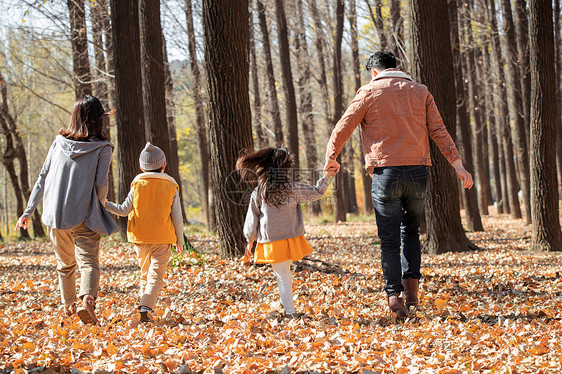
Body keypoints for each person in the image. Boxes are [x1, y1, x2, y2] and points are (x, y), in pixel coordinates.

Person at [323, 51, 473, 318]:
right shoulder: (420, 91)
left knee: (389, 240)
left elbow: (344, 126)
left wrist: (332, 157)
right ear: (397, 68)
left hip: (386, 174)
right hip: (418, 172)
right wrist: (457, 164)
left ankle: (395, 298)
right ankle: (412, 294)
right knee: (412, 232)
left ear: (374, 72)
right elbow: (439, 129)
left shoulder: (369, 92)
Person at [15, 95, 118, 325]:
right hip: (83, 214)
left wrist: (28, 212)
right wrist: (99, 206)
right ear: (97, 120)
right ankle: (87, 303)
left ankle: (69, 306)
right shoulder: (103, 148)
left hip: (54, 216)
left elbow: (42, 178)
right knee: (89, 261)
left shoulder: (58, 143)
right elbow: (101, 184)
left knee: (65, 264)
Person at [238, 148, 332, 318]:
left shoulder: (259, 192)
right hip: (291, 238)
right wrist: (327, 176)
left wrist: (249, 242)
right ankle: (289, 309)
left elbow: (252, 220)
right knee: (285, 276)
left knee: (283, 276)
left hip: (272, 241)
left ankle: (289, 312)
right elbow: (316, 192)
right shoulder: (292, 187)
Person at [103, 142, 184, 324]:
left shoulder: (137, 184)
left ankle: (144, 309)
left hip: (140, 238)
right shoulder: (171, 185)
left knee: (145, 274)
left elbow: (124, 210)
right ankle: (145, 308)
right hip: (163, 238)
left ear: (141, 167)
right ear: (164, 165)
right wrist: (180, 240)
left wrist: (106, 204)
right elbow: (177, 217)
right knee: (156, 275)